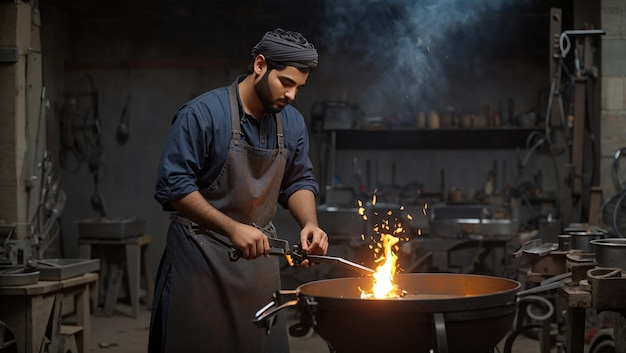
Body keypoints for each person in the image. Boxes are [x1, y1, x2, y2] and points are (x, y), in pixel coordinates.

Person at [148, 28, 329, 353]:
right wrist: (232, 228)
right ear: (260, 65)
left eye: (298, 88)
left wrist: (310, 224)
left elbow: (299, 181)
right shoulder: (202, 115)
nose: (291, 95)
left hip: (257, 267)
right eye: (285, 83)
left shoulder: (293, 123)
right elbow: (174, 187)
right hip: (199, 259)